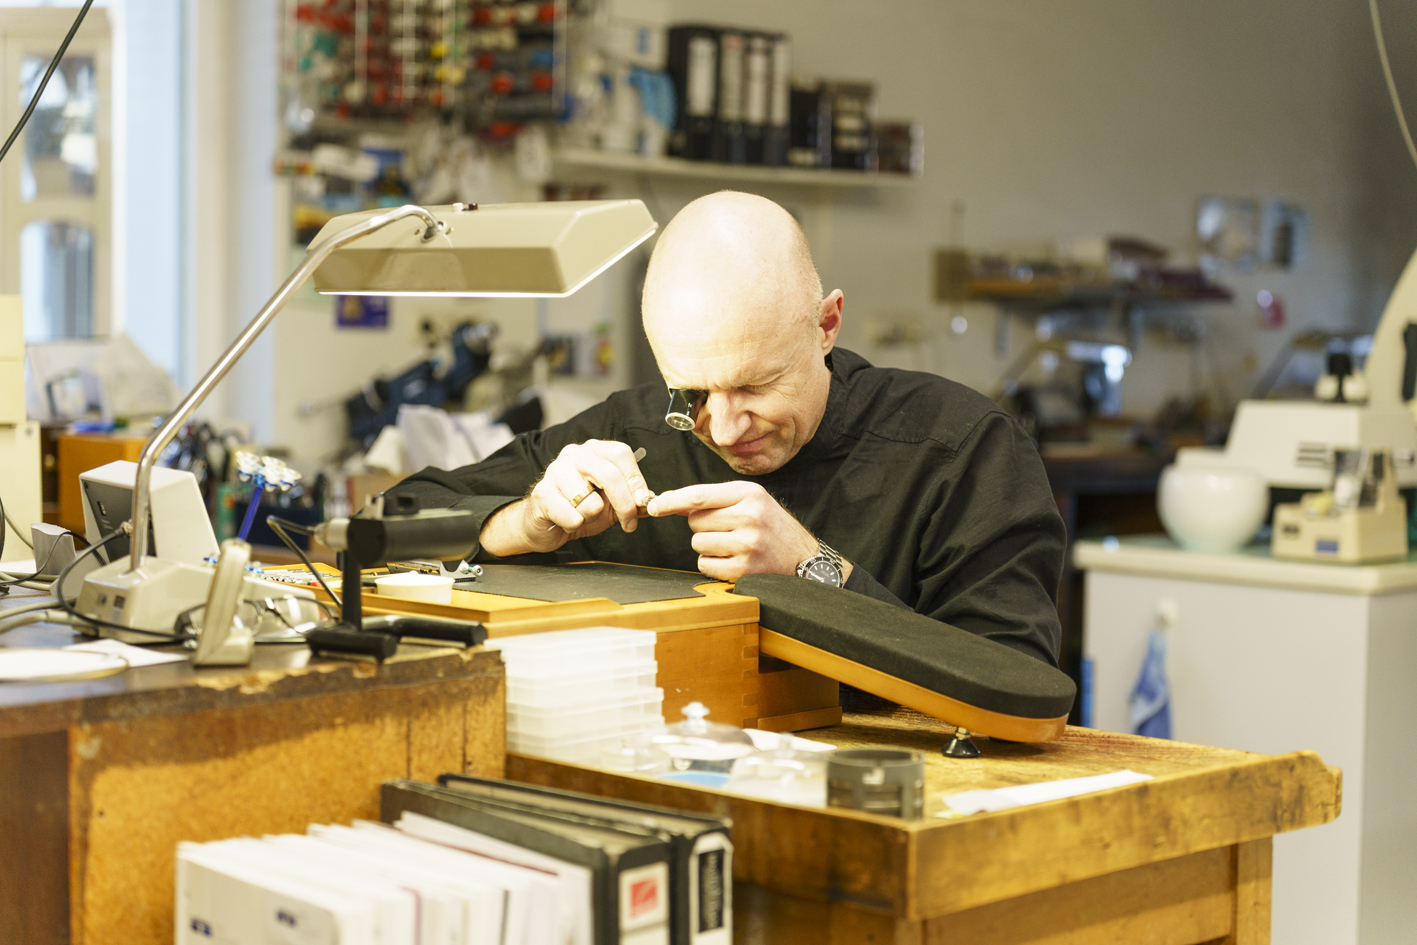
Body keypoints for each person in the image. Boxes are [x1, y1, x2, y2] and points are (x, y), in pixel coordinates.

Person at [389, 192, 1067, 666]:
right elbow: (389, 521)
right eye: (692, 391)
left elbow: (1019, 684)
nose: (722, 424)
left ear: (825, 325)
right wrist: (525, 520)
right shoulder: (636, 432)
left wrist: (810, 567)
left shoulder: (963, 449)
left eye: (754, 385)